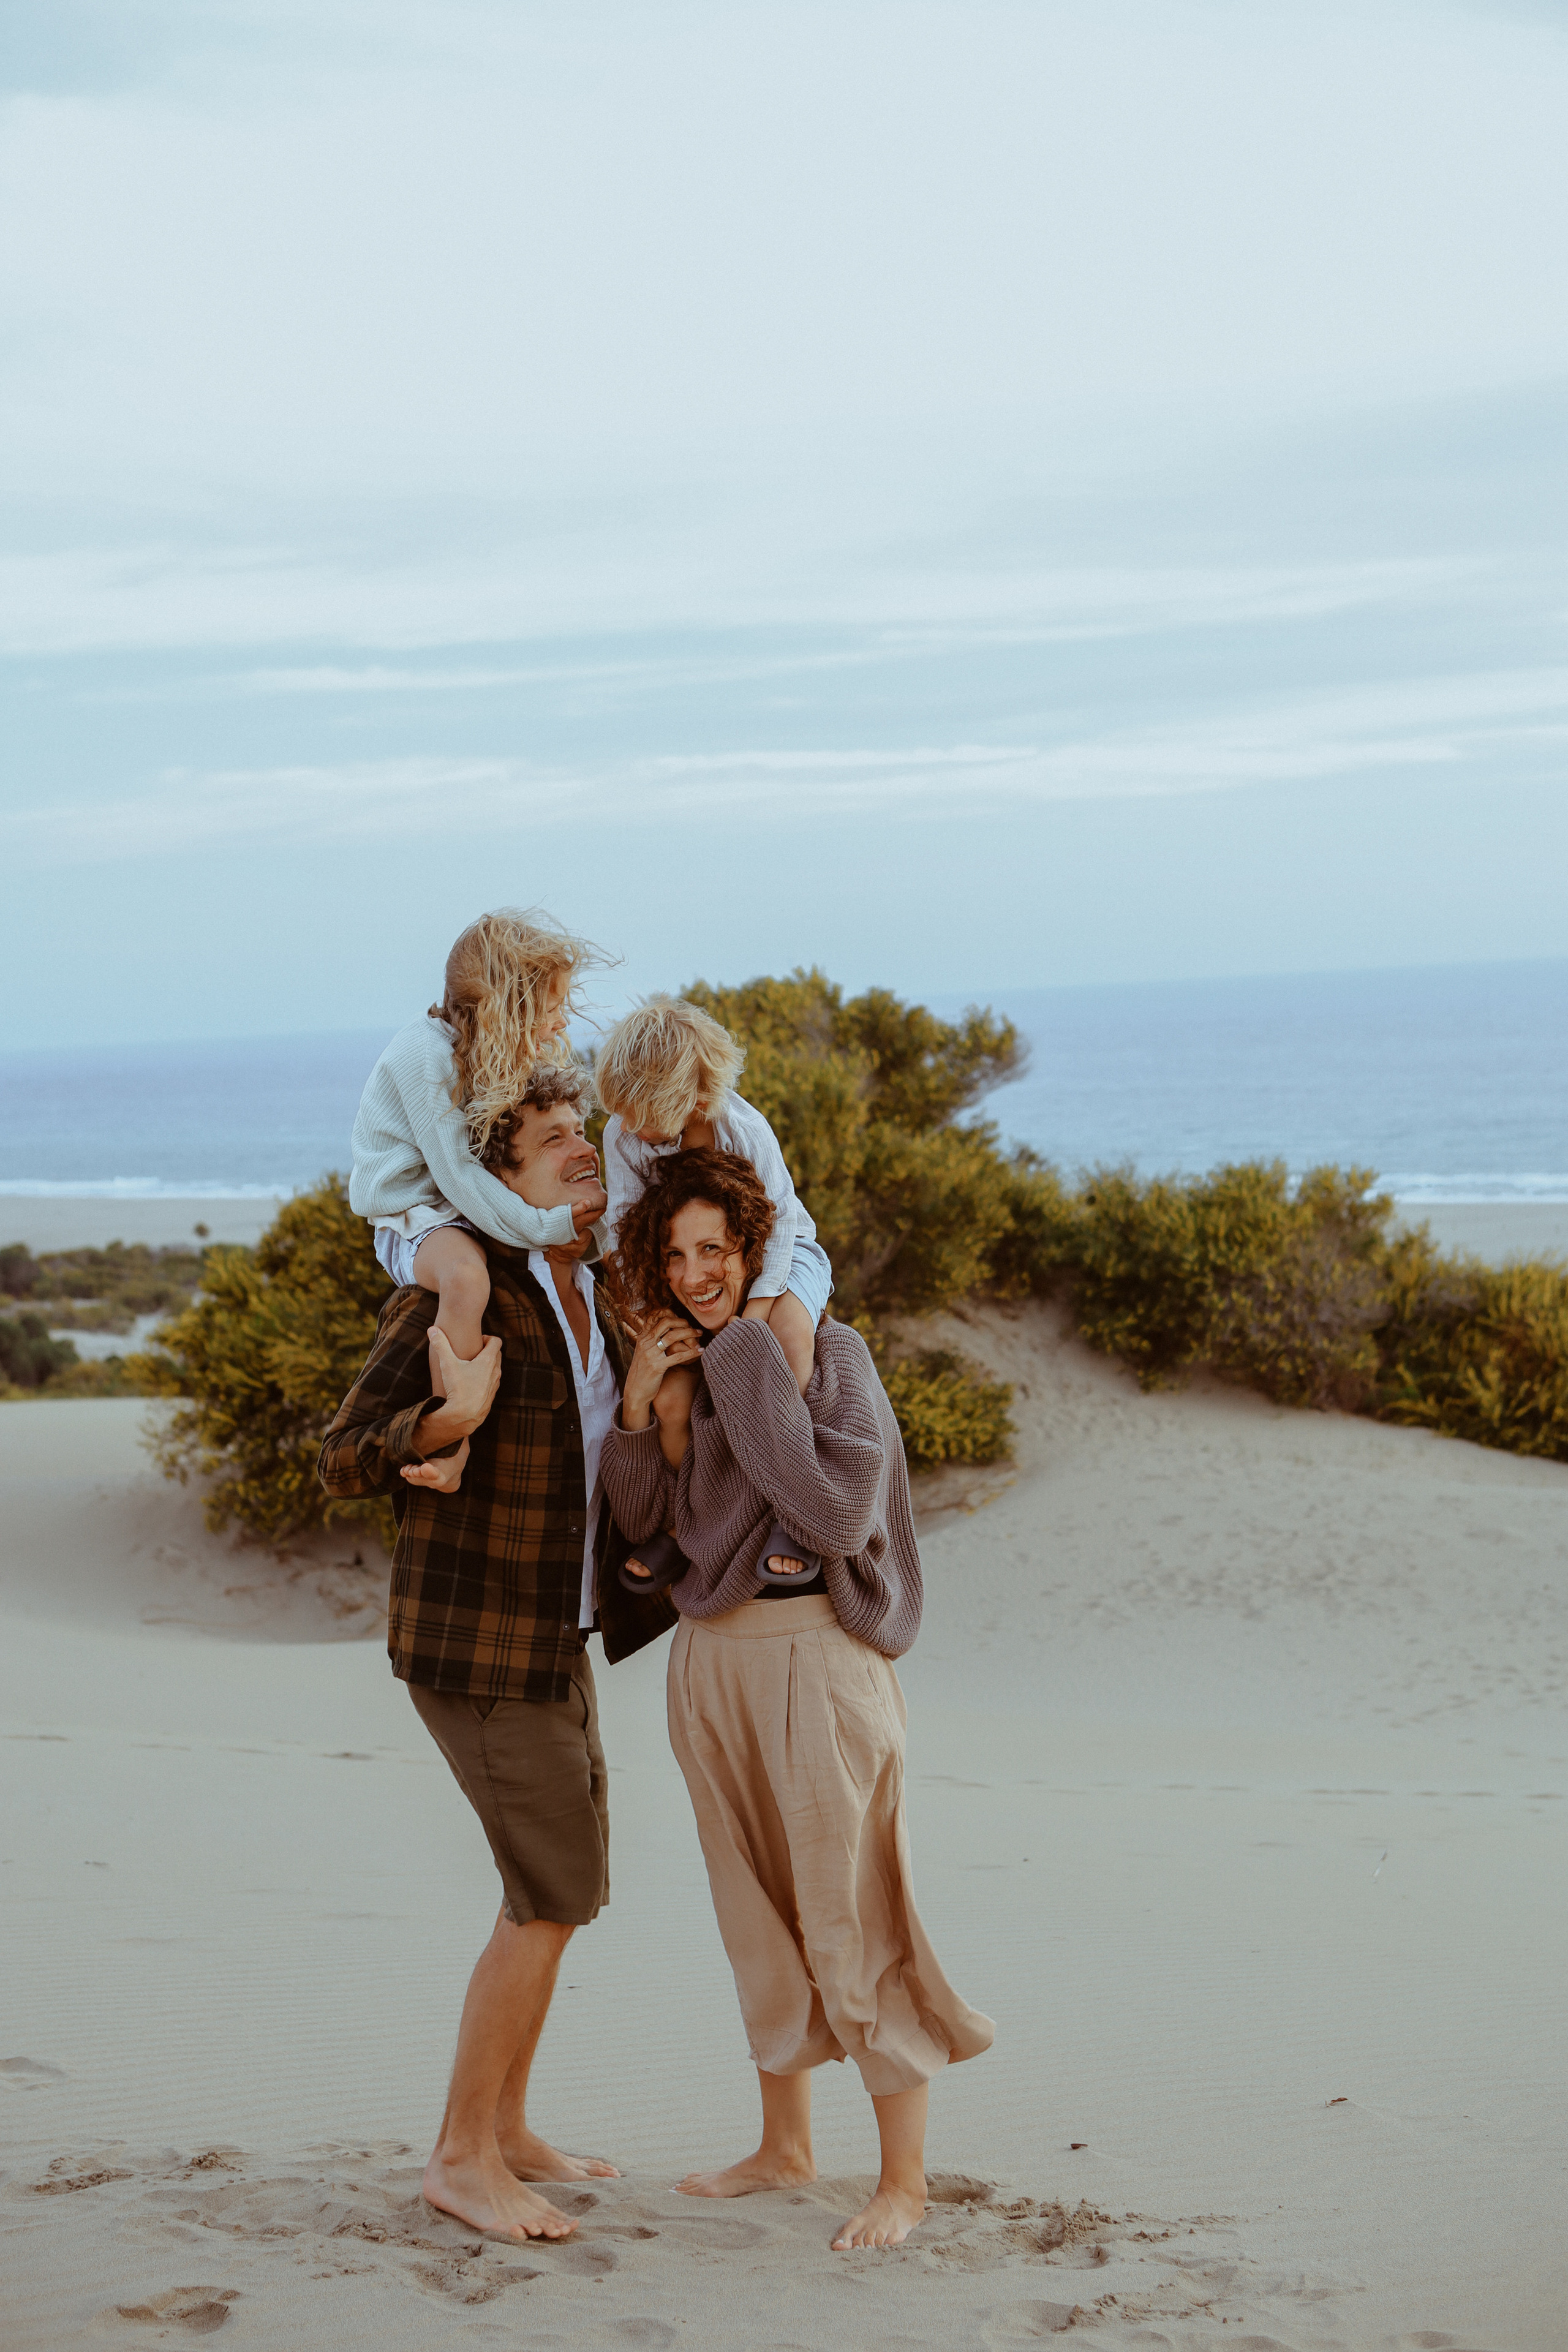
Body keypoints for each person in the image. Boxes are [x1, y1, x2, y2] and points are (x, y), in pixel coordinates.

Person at [600, 1147, 994, 2252]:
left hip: (820, 1661)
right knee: (758, 1921)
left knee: (851, 1915)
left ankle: (904, 2181)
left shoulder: (827, 1355)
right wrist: (642, 1405)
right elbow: (642, 1535)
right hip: (710, 1664)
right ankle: (785, 2148)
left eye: (714, 1251)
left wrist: (745, 1365)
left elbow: (831, 1513)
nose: (694, 1274)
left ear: (754, 1249)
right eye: (674, 1255)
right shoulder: (683, 1362)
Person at [318, 1064, 673, 2245]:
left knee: (564, 1892)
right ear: (497, 1180)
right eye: (555, 1142)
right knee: (551, 1892)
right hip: (474, 1647)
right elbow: (343, 1451)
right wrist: (445, 1423)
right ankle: (462, 2157)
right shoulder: (464, 1294)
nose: (583, 1152)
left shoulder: (592, 1298)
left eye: (585, 1135)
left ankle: (511, 2128)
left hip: (557, 1636)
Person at [349, 908, 609, 1391]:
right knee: (468, 1278)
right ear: (511, 1008)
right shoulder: (424, 1056)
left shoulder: (480, 1053)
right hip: (415, 1216)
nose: (560, 1022)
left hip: (460, 1202)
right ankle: (451, 1429)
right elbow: (460, 1176)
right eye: (550, 1009)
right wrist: (544, 1226)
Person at [595, 995, 831, 1417]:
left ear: (695, 1103)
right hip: (691, 1263)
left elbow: (780, 1223)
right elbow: (623, 1227)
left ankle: (788, 1448)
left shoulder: (745, 1129)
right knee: (674, 1393)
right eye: (621, 1114)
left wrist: (754, 1318)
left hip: (785, 1253)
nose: (627, 1126)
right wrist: (647, 1312)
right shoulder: (623, 1134)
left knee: (788, 1349)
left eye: (640, 1116)